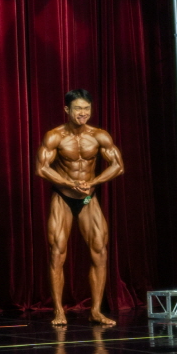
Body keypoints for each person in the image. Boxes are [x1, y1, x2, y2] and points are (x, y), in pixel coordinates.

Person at [36, 89, 125, 326]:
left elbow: (117, 166)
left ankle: (95, 311)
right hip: (63, 197)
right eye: (78, 108)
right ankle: (59, 311)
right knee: (57, 253)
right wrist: (69, 183)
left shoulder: (99, 136)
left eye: (87, 108)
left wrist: (93, 182)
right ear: (67, 110)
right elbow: (42, 168)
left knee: (100, 251)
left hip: (87, 199)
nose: (83, 113)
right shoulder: (55, 136)